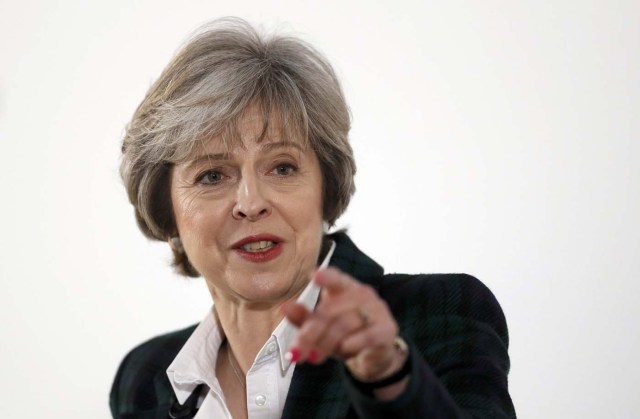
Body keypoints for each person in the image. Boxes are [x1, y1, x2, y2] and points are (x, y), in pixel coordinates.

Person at [110, 17, 516, 419]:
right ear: (167, 212)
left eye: (282, 168)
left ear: (326, 186)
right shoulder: (145, 377)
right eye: (212, 175)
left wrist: (388, 377)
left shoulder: (436, 317)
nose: (251, 203)